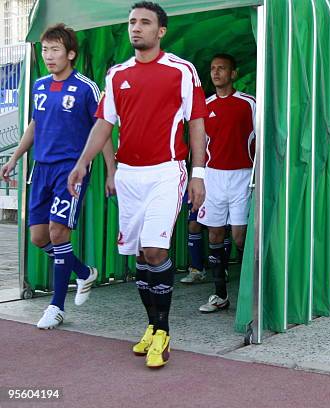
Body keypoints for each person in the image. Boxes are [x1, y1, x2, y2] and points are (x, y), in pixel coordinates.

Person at [68, 1, 207, 369]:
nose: (136, 28)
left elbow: (196, 124)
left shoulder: (181, 70)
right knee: (142, 256)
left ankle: (162, 331)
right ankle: (150, 326)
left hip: (167, 171)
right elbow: (103, 125)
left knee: (156, 251)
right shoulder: (117, 74)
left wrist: (198, 173)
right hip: (129, 175)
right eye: (132, 22)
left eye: (145, 22)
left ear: (161, 31)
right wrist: (84, 163)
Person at [1, 24, 115, 330]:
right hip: (42, 169)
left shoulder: (86, 88)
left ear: (71, 54)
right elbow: (35, 126)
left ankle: (56, 306)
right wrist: (14, 158)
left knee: (58, 232)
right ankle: (83, 271)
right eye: (45, 49)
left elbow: (103, 129)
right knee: (39, 237)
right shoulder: (39, 85)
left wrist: (111, 171)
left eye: (55, 50)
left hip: (71, 170)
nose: (48, 56)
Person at [196, 53, 255, 313]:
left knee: (241, 237)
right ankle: (220, 295)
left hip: (243, 175)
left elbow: (262, 139)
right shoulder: (204, 106)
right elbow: (199, 145)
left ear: (234, 73)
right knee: (215, 233)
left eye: (222, 68)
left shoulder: (249, 104)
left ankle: (249, 296)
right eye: (212, 68)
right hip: (214, 176)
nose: (216, 72)